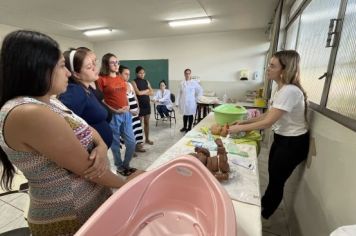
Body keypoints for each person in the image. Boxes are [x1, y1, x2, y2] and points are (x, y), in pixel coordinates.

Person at [0, 30, 135, 235]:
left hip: (91, 206)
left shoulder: (49, 101)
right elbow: (87, 169)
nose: (69, 73)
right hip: (70, 217)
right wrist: (127, 185)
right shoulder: (28, 112)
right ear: (38, 67)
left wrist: (99, 147)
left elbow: (89, 130)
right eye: (62, 66)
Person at [228, 50, 310, 221]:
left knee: (277, 180)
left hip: (293, 143)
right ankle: (264, 203)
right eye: (269, 65)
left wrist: (239, 130)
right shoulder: (279, 89)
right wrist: (243, 123)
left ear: (284, 69)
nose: (268, 69)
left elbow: (267, 123)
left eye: (272, 66)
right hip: (282, 139)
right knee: (273, 173)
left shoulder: (290, 91)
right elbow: (267, 115)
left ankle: (262, 216)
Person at [58, 47, 113, 147]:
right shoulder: (75, 91)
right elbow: (65, 129)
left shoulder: (85, 88)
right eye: (89, 67)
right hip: (89, 156)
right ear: (76, 74)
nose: (95, 68)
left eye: (93, 64)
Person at [96, 53, 137, 177]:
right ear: (106, 64)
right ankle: (119, 167)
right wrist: (113, 110)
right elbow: (100, 100)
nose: (116, 65)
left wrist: (128, 106)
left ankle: (126, 164)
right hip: (113, 116)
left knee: (131, 142)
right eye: (113, 62)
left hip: (126, 114)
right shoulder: (101, 79)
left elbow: (124, 94)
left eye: (117, 62)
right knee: (115, 144)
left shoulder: (120, 77)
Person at [118, 65, 146, 153]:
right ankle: (130, 150)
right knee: (129, 133)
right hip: (127, 114)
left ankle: (138, 146)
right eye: (125, 74)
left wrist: (137, 108)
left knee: (137, 130)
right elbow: (120, 103)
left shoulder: (129, 84)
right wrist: (130, 112)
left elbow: (135, 97)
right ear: (119, 74)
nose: (128, 76)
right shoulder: (118, 86)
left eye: (129, 74)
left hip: (135, 113)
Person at [131, 66, 154, 145]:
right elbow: (138, 93)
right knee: (139, 125)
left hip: (147, 104)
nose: (142, 74)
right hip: (139, 105)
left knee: (147, 123)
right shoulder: (133, 82)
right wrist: (147, 90)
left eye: (143, 73)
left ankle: (147, 139)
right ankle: (138, 142)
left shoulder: (146, 81)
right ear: (137, 73)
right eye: (140, 73)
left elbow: (152, 92)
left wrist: (144, 92)